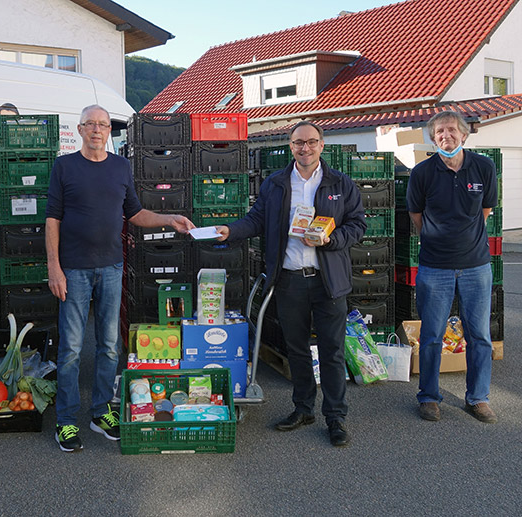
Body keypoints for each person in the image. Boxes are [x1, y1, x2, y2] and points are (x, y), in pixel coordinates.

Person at [45, 104, 194, 452]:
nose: (97, 130)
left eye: (103, 125)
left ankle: (100, 412)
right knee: (70, 350)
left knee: (110, 346)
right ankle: (66, 421)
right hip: (74, 270)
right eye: (91, 124)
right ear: (80, 129)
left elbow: (136, 214)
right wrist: (54, 267)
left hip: (111, 267)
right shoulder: (64, 166)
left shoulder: (120, 167)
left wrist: (169, 218)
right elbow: (53, 219)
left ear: (109, 131)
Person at [216, 121, 365, 447]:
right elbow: (256, 219)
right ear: (290, 146)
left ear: (322, 145)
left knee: (332, 351)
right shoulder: (276, 183)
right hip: (289, 280)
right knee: (296, 350)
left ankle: (336, 416)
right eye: (298, 143)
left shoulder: (339, 183)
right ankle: (303, 408)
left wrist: (331, 238)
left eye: (311, 142)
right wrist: (230, 230)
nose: (305, 148)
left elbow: (358, 225)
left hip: (328, 281)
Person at [407, 110, 498, 423]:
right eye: (439, 132)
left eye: (451, 130)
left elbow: (485, 209)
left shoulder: (484, 167)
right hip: (435, 268)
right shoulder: (422, 173)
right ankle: (429, 397)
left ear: (464, 135)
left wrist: (465, 240)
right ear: (434, 138)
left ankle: (478, 398)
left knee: (480, 336)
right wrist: (436, 240)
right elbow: (416, 215)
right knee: (431, 335)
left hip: (476, 267)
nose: (445, 136)